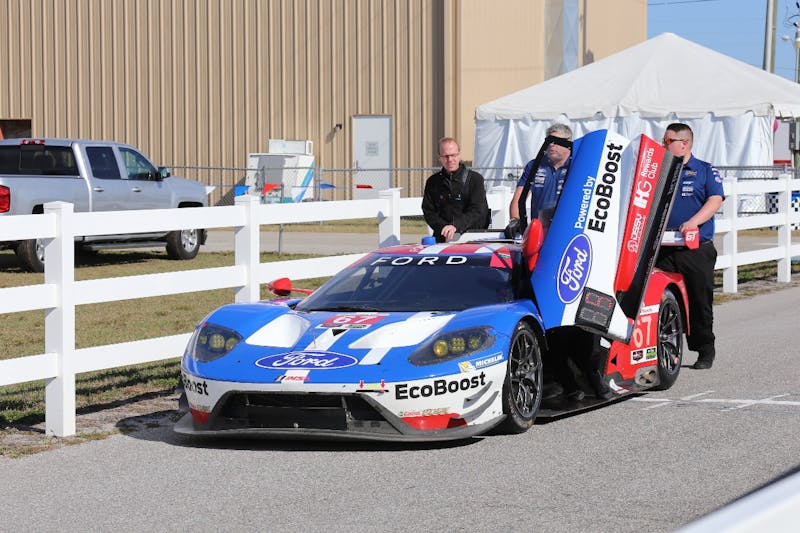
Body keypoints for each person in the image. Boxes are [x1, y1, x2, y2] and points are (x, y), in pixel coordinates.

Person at [656, 123, 724, 369]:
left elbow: (715, 199)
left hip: (694, 249)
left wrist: (694, 222)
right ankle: (663, 350)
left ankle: (704, 349)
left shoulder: (704, 170)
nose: (664, 145)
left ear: (684, 144)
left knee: (699, 300)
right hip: (662, 248)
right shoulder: (658, 170)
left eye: (668, 141)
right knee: (659, 299)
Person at [506, 122, 573, 235]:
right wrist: (515, 221)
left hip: (567, 230)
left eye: (556, 141)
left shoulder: (577, 165)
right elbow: (518, 198)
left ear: (569, 142)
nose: (551, 145)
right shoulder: (534, 165)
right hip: (540, 231)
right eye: (549, 141)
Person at [421, 137, 489, 243]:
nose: (450, 160)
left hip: (472, 238)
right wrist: (443, 227)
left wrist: (455, 226)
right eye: (446, 156)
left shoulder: (475, 179)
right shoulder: (432, 182)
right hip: (442, 237)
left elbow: (477, 209)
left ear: (459, 155)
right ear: (439, 157)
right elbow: (428, 211)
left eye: (453, 155)